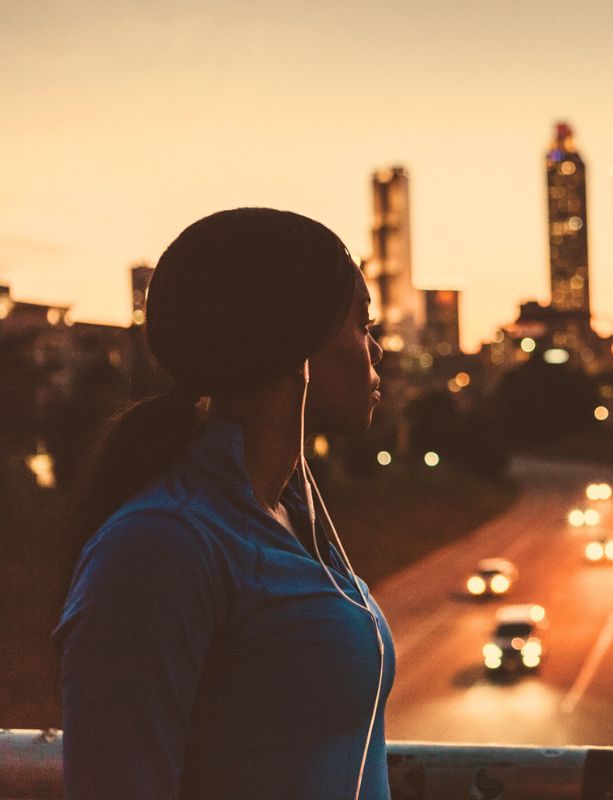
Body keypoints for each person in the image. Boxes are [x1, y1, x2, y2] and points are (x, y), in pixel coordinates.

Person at [53, 208, 394, 799]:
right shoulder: (163, 545)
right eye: (363, 324)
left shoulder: (295, 518)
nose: (378, 351)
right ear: (298, 339)